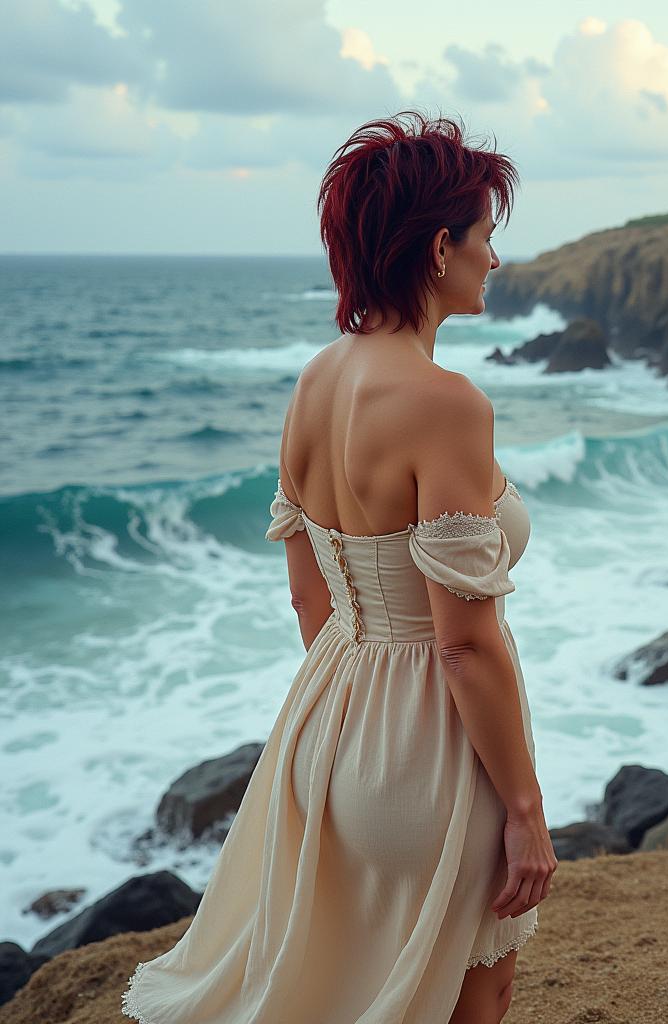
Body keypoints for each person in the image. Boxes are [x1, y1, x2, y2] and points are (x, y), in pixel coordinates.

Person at [121, 108, 557, 1024]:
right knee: (469, 1002)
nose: (495, 258)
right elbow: (465, 645)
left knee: (360, 989)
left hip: (326, 734)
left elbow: (308, 595)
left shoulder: (317, 378)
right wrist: (523, 808)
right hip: (433, 758)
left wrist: (356, 732)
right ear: (441, 247)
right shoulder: (447, 406)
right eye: (486, 236)